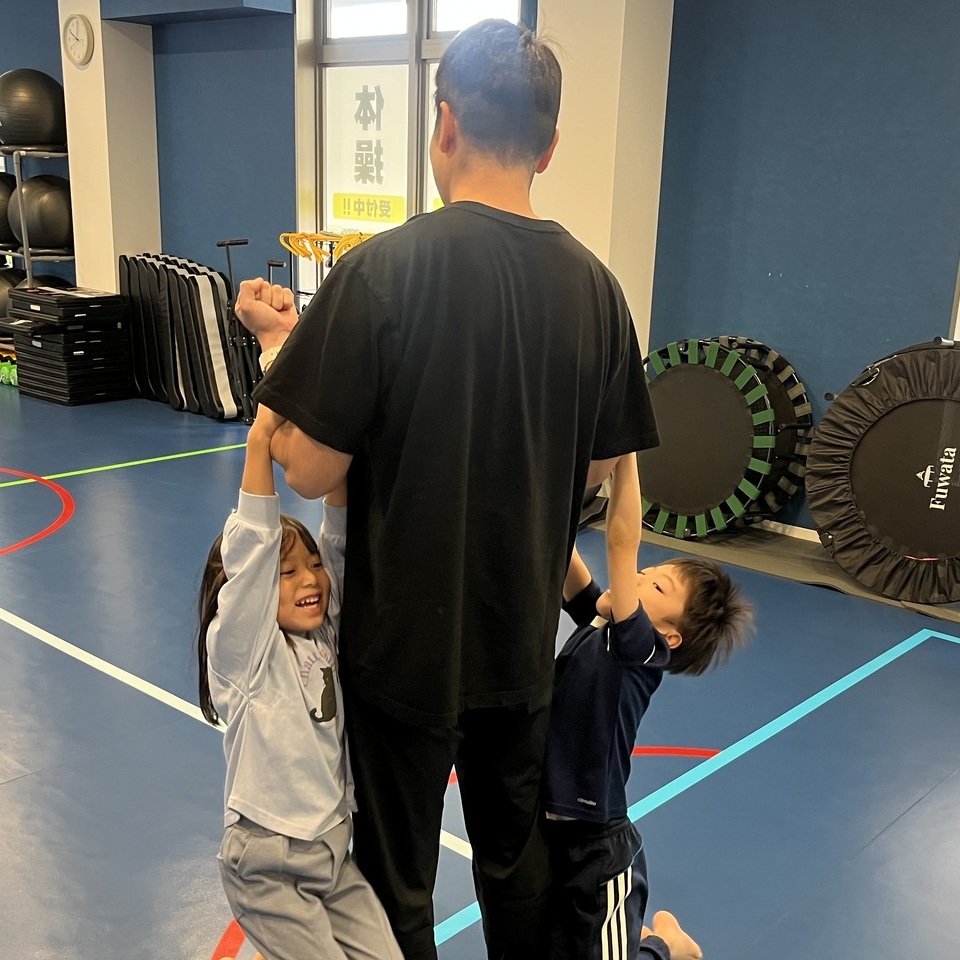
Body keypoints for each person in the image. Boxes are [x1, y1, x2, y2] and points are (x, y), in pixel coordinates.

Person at [235, 18, 660, 960]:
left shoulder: (380, 272)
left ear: (444, 126)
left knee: (396, 889)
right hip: (519, 650)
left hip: (401, 659)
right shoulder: (599, 293)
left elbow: (310, 468)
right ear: (550, 147)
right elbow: (595, 474)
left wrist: (280, 352)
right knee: (519, 871)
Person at [195, 402, 402, 960]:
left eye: (310, 567)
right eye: (287, 573)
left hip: (331, 858)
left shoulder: (324, 635)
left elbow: (339, 543)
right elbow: (253, 549)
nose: (310, 579)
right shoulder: (246, 655)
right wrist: (261, 438)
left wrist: (342, 438)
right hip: (269, 865)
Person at [545, 453, 752, 960]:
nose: (636, 578)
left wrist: (626, 453)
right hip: (550, 832)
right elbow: (560, 554)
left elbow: (621, 541)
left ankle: (667, 947)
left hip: (597, 850)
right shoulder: (602, 627)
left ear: (668, 635)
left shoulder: (639, 652)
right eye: (646, 572)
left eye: (656, 586)